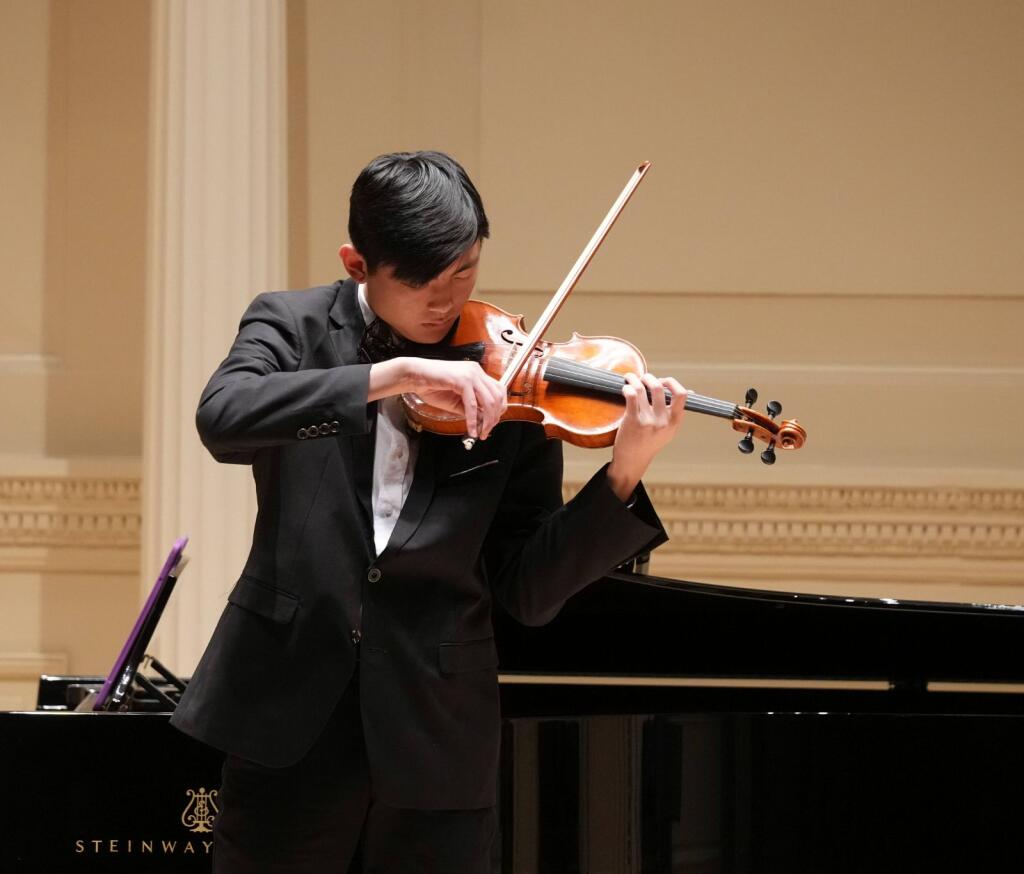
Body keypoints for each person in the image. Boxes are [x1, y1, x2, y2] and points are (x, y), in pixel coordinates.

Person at [170, 150, 687, 873]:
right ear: (358, 264)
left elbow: (526, 591)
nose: (446, 303)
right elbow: (223, 417)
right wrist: (392, 376)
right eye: (421, 282)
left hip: (437, 739)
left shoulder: (508, 377)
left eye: (465, 271)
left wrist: (625, 470)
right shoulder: (290, 326)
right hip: (287, 723)